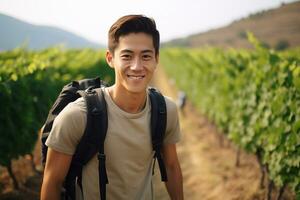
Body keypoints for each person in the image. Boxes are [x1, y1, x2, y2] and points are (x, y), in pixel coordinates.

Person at [41, 14, 183, 200]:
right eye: (127, 56)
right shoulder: (77, 116)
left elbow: (171, 167)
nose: (137, 66)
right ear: (110, 58)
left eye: (146, 56)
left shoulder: (166, 111)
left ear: (156, 59)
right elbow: (52, 182)